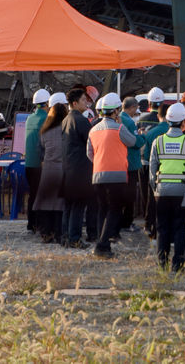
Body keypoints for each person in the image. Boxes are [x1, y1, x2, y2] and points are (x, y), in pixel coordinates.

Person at [86, 92, 138, 259]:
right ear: (116, 111)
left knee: (102, 210)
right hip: (117, 175)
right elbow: (133, 142)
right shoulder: (119, 128)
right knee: (114, 210)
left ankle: (103, 244)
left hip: (98, 175)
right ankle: (102, 245)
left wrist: (101, 161)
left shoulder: (93, 130)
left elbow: (89, 153)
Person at [149, 101, 185, 271]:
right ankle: (177, 265)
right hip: (182, 193)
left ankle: (162, 263)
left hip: (161, 192)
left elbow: (151, 170)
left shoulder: (158, 141)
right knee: (179, 227)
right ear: (184, 121)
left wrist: (155, 190)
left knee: (162, 227)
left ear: (168, 121)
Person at [61, 86, 95, 248]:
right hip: (80, 169)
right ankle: (75, 238)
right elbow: (91, 141)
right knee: (78, 205)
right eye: (83, 100)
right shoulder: (81, 120)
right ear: (75, 103)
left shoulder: (66, 119)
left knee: (69, 205)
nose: (86, 103)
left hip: (67, 168)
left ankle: (66, 236)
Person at [32, 92, 67, 243]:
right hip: (62, 169)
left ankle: (46, 233)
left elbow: (40, 150)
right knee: (59, 204)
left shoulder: (44, 130)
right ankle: (59, 233)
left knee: (46, 202)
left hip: (47, 169)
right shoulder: (66, 130)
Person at [141, 102, 170, 238]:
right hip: (172, 174)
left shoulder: (151, 133)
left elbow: (146, 156)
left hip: (154, 172)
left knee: (152, 199)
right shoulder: (177, 133)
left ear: (158, 115)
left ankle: (150, 224)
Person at [24, 88, 50, 234]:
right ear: (46, 103)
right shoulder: (45, 119)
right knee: (41, 195)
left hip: (29, 164)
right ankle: (40, 225)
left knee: (33, 195)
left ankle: (31, 224)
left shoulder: (29, 118)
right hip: (40, 164)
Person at [119, 96, 146, 231]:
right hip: (131, 163)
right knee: (130, 195)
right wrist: (143, 136)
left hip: (121, 162)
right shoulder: (129, 123)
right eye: (136, 108)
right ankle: (127, 222)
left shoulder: (118, 118)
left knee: (121, 194)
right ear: (132, 107)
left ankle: (121, 221)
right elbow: (136, 142)